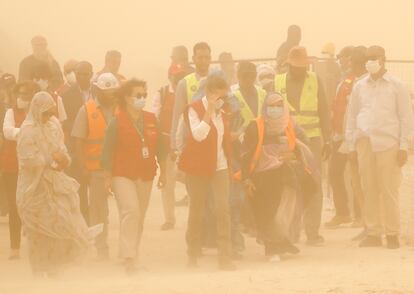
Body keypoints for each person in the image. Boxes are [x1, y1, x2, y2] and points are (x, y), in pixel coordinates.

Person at [346, 46, 414, 249]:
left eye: (373, 58)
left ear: (383, 59)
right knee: (369, 189)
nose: (370, 62)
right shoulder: (359, 86)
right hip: (365, 142)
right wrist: (351, 146)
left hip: (389, 144)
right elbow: (352, 115)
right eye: (367, 59)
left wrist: (404, 146)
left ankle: (392, 233)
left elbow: (405, 118)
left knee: (389, 189)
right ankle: (374, 232)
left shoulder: (397, 85)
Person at [16, 91, 89, 277]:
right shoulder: (27, 130)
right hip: (34, 187)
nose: (49, 116)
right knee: (38, 230)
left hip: (55, 183)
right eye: (46, 113)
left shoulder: (53, 126)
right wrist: (49, 159)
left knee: (58, 223)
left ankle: (54, 267)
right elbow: (26, 159)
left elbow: (61, 149)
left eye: (51, 112)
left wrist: (64, 159)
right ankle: (39, 269)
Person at [101, 79, 166, 273]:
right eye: (138, 95)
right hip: (122, 174)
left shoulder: (152, 119)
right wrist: (107, 178)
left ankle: (132, 254)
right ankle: (128, 257)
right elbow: (107, 151)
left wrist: (164, 172)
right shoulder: (116, 121)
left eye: (144, 95)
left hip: (146, 174)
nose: (142, 98)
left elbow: (161, 149)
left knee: (139, 216)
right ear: (127, 98)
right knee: (131, 211)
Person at [177, 74, 236, 271]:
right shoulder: (193, 109)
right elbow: (198, 135)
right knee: (197, 210)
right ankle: (192, 253)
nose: (223, 101)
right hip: (198, 167)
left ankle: (224, 257)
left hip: (220, 166)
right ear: (210, 94)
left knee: (223, 210)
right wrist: (209, 111)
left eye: (225, 98)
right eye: (220, 97)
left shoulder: (223, 112)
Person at [274, 46, 331, 246]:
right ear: (289, 64)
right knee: (289, 186)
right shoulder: (277, 81)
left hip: (313, 140)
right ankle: (291, 232)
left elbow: (324, 111)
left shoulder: (315, 81)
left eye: (302, 66)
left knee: (314, 184)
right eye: (295, 66)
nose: (299, 70)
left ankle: (312, 232)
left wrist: (328, 139)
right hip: (286, 141)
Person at [241, 93, 306, 261]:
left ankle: (282, 243)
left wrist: (291, 155)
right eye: (272, 106)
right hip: (260, 176)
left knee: (281, 211)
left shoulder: (289, 125)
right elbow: (245, 154)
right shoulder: (254, 127)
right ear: (265, 107)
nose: (275, 109)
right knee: (266, 212)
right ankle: (272, 249)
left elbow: (300, 149)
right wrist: (246, 177)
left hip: (283, 175)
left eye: (279, 106)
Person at [71, 73, 119, 259]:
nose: (112, 95)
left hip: (120, 168)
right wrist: (83, 167)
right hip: (96, 169)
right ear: (98, 90)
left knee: (126, 209)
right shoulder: (86, 110)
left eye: (114, 91)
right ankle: (101, 248)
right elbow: (79, 140)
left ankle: (127, 248)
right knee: (99, 210)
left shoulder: (121, 108)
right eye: (108, 92)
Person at [326, 46, 367, 228]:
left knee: (356, 177)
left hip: (356, 137)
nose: (341, 61)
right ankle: (342, 213)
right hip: (339, 137)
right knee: (334, 174)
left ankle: (361, 216)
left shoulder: (364, 83)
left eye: (343, 58)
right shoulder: (343, 82)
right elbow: (337, 108)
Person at [0, 81, 39, 259]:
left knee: (32, 207)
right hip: (11, 166)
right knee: (15, 207)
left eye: (27, 95)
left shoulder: (37, 114)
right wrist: (25, 133)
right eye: (21, 95)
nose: (24, 98)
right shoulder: (10, 112)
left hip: (32, 167)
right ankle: (15, 247)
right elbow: (7, 131)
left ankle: (35, 244)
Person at [152, 63, 187, 230]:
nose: (179, 79)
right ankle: (169, 219)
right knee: (168, 184)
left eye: (182, 76)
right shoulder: (162, 94)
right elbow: (155, 118)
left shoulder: (190, 91)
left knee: (193, 182)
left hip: (188, 145)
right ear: (170, 77)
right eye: (176, 76)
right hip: (167, 144)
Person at [61, 61, 94, 220]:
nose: (81, 77)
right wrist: (81, 126)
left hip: (96, 147)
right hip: (76, 148)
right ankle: (83, 222)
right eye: (79, 73)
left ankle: (98, 222)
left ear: (91, 75)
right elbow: (63, 121)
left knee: (96, 190)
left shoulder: (98, 92)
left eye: (85, 74)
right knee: (79, 188)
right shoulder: (66, 96)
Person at [170, 42, 212, 153]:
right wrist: (174, 145)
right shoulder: (184, 83)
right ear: (193, 59)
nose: (203, 61)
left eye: (206, 57)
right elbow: (177, 115)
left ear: (210, 59)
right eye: (200, 57)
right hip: (192, 139)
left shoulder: (217, 80)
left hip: (214, 139)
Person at [313, 42, 341, 107]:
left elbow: (338, 82)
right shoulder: (319, 66)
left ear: (332, 54)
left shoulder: (336, 66)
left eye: (326, 53)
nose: (325, 55)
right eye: (324, 53)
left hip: (331, 96)